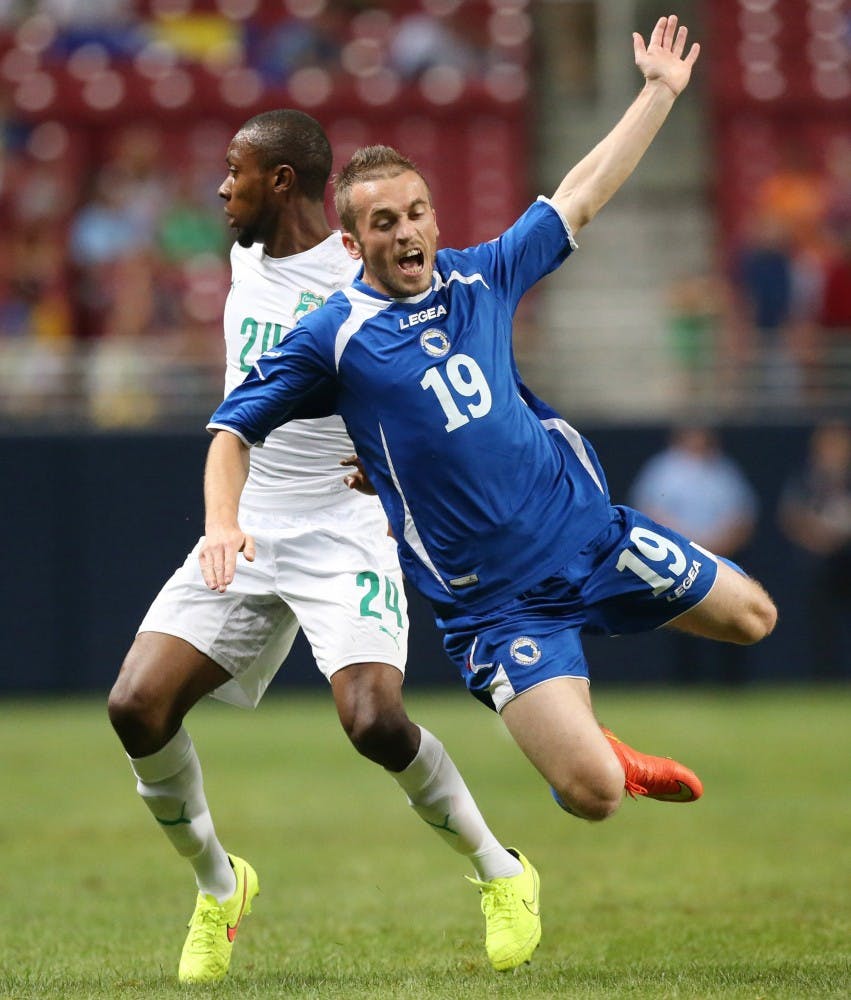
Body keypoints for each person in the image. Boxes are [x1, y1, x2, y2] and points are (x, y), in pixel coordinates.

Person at [202, 10, 774, 881]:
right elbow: (231, 427)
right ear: (352, 244)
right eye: (385, 223)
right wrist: (223, 522)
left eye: (418, 213)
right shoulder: (332, 335)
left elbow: (581, 191)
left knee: (754, 619)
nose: (408, 234)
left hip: (592, 539)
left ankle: (576, 722)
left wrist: (657, 92)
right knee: (593, 796)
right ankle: (591, 748)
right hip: (498, 607)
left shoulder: (482, 274)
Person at [107, 110, 542, 985]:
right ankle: (218, 887)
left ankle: (503, 871)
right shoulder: (242, 256)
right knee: (135, 708)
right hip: (248, 523)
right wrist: (224, 522)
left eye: (236, 172)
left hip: (344, 531)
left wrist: (398, 457)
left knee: (373, 723)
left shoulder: (361, 269)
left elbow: (447, 365)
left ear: (281, 183)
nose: (221, 188)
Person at [628, 425, 759, 684]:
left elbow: (743, 514)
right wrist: (686, 543)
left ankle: (730, 684)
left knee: (729, 618)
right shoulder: (663, 470)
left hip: (719, 557)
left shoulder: (722, 471)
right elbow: (647, 512)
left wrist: (717, 543)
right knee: (684, 623)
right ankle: (686, 682)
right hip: (678, 560)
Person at [777, 422, 851, 680]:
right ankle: (824, 678)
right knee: (821, 626)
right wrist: (819, 538)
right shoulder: (807, 478)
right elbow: (792, 516)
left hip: (847, 556)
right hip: (818, 560)